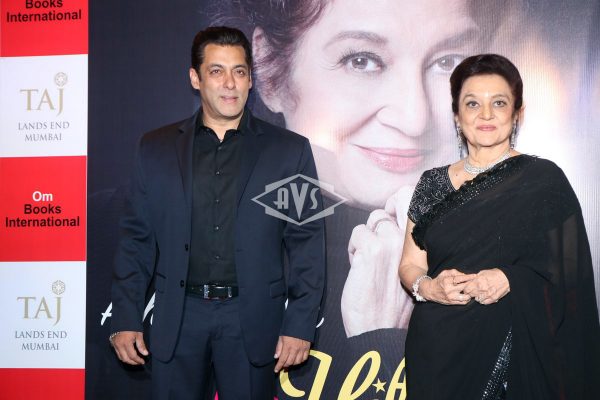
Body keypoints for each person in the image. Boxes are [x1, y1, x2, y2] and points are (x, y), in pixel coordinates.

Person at [216, 1, 508, 397]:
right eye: (362, 60)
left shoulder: (504, 270)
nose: (415, 117)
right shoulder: (180, 246)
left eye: (448, 62)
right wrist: (384, 346)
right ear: (268, 70)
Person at [109, 26, 326, 399]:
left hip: (252, 321)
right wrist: (126, 317)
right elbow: (136, 241)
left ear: (251, 80)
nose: (230, 83)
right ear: (195, 79)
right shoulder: (155, 149)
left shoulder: (289, 151)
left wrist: (300, 324)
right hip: (178, 318)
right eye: (216, 71)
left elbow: (307, 243)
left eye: (239, 71)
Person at [399, 53, 600, 399]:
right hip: (438, 351)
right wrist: (429, 287)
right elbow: (410, 265)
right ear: (456, 115)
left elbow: (571, 273)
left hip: (518, 350)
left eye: (499, 102)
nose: (486, 114)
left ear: (517, 113)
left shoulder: (544, 181)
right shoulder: (431, 184)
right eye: (472, 103)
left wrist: (511, 279)